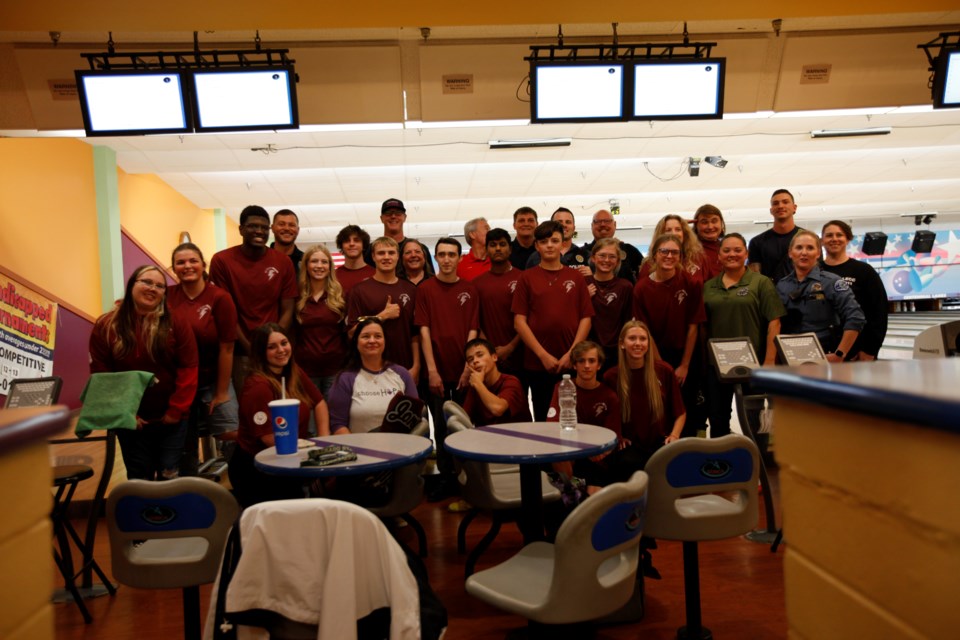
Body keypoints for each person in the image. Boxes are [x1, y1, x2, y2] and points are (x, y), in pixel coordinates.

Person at [89, 265, 199, 481]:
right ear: (132, 285)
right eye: (147, 282)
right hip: (131, 419)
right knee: (140, 475)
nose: (153, 289)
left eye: (160, 286)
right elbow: (102, 376)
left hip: (172, 418)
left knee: (171, 473)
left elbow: (189, 368)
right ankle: (145, 515)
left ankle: (172, 515)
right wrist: (126, 413)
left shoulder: (177, 322)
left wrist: (176, 410)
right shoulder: (106, 325)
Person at [230, 323, 329, 506]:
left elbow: (320, 402)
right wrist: (309, 450)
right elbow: (269, 439)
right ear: (260, 352)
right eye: (272, 347)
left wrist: (323, 442)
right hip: (257, 471)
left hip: (288, 462)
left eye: (284, 343)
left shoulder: (293, 372)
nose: (281, 350)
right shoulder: (257, 386)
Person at [702, 233, 786, 437]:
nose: (732, 254)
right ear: (719, 256)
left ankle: (759, 462)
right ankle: (723, 463)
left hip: (753, 365)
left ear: (746, 253)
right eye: (727, 250)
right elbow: (703, 326)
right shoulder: (708, 287)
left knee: (755, 420)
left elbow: (774, 322)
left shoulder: (761, 283)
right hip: (717, 366)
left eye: (738, 250)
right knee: (718, 419)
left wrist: (769, 361)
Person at [167, 243, 239, 476]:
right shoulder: (167, 297)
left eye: (192, 261)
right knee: (184, 444)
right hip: (179, 383)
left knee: (231, 433)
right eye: (181, 262)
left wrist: (221, 393)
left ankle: (241, 486)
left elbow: (227, 347)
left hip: (213, 379)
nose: (187, 266)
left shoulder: (219, 297)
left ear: (203, 264)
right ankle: (190, 492)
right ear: (174, 268)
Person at [415, 237, 479, 500]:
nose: (447, 259)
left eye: (452, 254)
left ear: (459, 257)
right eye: (441, 254)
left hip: (463, 369)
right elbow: (424, 331)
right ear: (436, 258)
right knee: (441, 427)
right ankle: (446, 477)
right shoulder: (426, 289)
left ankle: (467, 477)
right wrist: (431, 370)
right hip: (437, 370)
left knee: (463, 426)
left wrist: (468, 367)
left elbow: (473, 330)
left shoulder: (470, 290)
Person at [209, 205, 298, 390]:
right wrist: (253, 350)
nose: (259, 231)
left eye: (264, 228)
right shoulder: (221, 260)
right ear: (241, 229)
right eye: (252, 226)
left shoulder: (283, 262)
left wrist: (273, 345)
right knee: (248, 407)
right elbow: (225, 313)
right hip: (239, 352)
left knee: (277, 403)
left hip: (273, 351)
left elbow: (288, 308)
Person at [513, 221, 594, 421]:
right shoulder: (526, 278)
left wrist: (572, 355)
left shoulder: (575, 277)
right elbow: (519, 322)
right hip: (537, 363)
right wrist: (543, 355)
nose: (549, 245)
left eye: (554, 240)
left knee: (572, 417)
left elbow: (586, 319)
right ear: (537, 246)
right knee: (543, 417)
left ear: (562, 244)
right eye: (544, 241)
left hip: (571, 362)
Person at [633, 234, 706, 436]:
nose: (669, 256)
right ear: (654, 255)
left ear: (681, 256)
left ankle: (687, 456)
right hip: (656, 356)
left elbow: (694, 326)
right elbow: (645, 332)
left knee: (686, 409)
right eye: (664, 251)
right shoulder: (641, 288)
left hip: (686, 355)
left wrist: (684, 365)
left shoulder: (690, 283)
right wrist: (659, 367)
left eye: (675, 252)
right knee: (660, 410)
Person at [601, 321, 685, 477]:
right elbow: (607, 418)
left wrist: (674, 436)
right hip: (630, 448)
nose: (638, 343)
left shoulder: (664, 370)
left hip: (660, 443)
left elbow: (680, 413)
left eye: (642, 339)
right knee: (627, 464)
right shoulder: (610, 377)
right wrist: (617, 437)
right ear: (622, 344)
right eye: (632, 338)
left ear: (648, 343)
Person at [777, 230, 866, 360]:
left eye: (810, 248)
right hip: (790, 355)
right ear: (790, 253)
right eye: (799, 247)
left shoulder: (832, 282)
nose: (804, 253)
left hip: (824, 354)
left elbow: (856, 317)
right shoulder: (782, 285)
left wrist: (840, 354)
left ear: (818, 253)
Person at [546, 341, 622, 486]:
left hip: (597, 458)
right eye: (581, 361)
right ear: (574, 365)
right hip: (570, 454)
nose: (587, 366)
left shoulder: (609, 396)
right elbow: (553, 426)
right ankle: (570, 489)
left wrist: (599, 452)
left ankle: (576, 490)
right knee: (557, 454)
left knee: (594, 494)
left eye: (592, 361)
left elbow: (614, 436)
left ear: (599, 365)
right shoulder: (561, 388)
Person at [327, 317, 419, 434]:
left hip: (400, 448)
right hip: (360, 450)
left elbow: (414, 418)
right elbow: (338, 425)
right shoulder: (345, 379)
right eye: (365, 336)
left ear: (385, 341)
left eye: (378, 336)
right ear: (356, 342)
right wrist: (357, 450)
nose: (372, 341)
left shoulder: (402, 374)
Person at [347, 236, 420, 377]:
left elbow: (415, 334)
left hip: (405, 368)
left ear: (398, 256)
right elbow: (352, 333)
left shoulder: (411, 290)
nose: (386, 257)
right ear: (373, 257)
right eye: (381, 253)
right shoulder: (359, 291)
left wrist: (416, 366)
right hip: (369, 370)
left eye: (391, 253)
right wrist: (382, 316)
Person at [820, 220, 889, 361]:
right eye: (829, 235)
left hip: (857, 351)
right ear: (822, 241)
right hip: (822, 350)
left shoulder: (864, 271)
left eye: (839, 235)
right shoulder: (815, 271)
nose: (834, 239)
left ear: (848, 239)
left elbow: (879, 313)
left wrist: (870, 350)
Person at [295, 244, 348, 400]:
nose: (319, 266)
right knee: (310, 421)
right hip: (305, 370)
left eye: (324, 262)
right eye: (314, 261)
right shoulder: (297, 296)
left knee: (333, 418)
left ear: (330, 267)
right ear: (306, 265)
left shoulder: (339, 296)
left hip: (335, 369)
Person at [473, 228, 524, 378]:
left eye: (502, 244)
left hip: (522, 355)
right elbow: (476, 322)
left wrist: (510, 347)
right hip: (489, 358)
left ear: (510, 249)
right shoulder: (477, 284)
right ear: (486, 249)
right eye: (493, 245)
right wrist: (490, 351)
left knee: (519, 400)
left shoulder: (524, 279)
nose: (498, 248)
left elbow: (530, 319)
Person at [585, 238, 633, 369]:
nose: (606, 260)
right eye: (602, 255)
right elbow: (571, 318)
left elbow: (628, 322)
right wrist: (584, 299)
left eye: (612, 256)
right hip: (588, 352)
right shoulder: (583, 284)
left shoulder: (625, 287)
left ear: (617, 261)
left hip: (616, 353)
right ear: (593, 258)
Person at [461, 338, 531, 427]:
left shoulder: (511, 381)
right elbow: (464, 419)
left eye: (480, 355)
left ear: (494, 357)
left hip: (517, 437)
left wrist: (478, 384)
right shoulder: (475, 385)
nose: (475, 361)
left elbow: (498, 409)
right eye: (470, 359)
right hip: (487, 438)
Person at [367, 198, 435, 278]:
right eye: (388, 213)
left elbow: (430, 279)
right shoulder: (371, 249)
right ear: (382, 218)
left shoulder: (420, 249)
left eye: (398, 213)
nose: (393, 216)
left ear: (404, 217)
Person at [749, 189, 803, 282]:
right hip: (769, 294)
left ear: (794, 207)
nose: (780, 206)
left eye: (785, 202)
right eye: (775, 203)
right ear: (771, 210)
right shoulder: (757, 242)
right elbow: (755, 279)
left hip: (802, 293)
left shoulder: (807, 239)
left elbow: (816, 272)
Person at [640, 214, 707, 286]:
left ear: (684, 233)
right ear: (660, 235)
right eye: (668, 230)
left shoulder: (698, 259)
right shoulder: (649, 264)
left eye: (678, 229)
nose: (674, 233)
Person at [582, 209, 644, 282]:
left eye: (607, 221)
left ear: (615, 224)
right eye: (598, 221)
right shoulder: (582, 253)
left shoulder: (630, 251)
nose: (603, 224)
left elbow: (645, 277)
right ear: (592, 226)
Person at [525, 207, 591, 272]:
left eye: (568, 222)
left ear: (574, 228)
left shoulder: (585, 255)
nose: (564, 225)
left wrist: (592, 275)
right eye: (559, 222)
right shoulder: (535, 257)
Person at [335, 224, 375, 297]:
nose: (352, 244)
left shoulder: (375, 274)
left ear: (363, 245)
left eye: (356, 240)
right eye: (347, 241)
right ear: (342, 246)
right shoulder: (334, 276)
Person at [693, 204, 725, 281]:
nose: (710, 226)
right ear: (696, 225)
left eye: (714, 221)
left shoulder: (726, 248)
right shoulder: (690, 249)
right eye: (704, 222)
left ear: (721, 223)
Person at [270, 208, 304, 277]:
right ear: (272, 228)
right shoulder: (261, 259)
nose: (287, 228)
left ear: (298, 230)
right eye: (281, 224)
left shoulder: (306, 261)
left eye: (291, 225)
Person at [509, 206, 539, 270]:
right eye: (521, 221)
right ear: (514, 225)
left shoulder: (543, 250)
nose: (526, 224)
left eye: (530, 220)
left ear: (537, 224)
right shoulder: (507, 251)